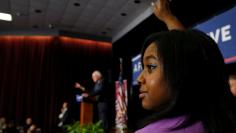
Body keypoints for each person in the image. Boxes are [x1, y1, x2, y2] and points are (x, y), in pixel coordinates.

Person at [135, 0, 234, 133]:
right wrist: (168, 17)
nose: (139, 79)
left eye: (151, 66)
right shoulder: (221, 119)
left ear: (183, 73)